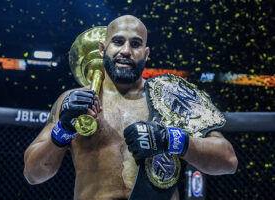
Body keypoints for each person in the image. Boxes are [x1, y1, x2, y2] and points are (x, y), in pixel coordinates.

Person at [23, 15, 238, 200]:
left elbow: (228, 161)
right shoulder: (72, 101)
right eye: (118, 42)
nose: (126, 50)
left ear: (146, 53)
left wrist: (171, 139)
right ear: (102, 48)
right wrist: (63, 130)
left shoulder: (172, 96)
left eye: (135, 44)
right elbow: (34, 174)